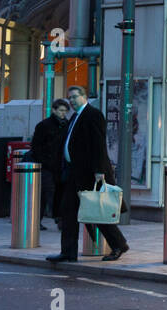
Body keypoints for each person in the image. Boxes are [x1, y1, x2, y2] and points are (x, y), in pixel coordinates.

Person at [47, 85, 129, 263]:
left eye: (75, 97)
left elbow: (98, 144)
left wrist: (99, 170)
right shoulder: (75, 117)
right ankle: (68, 252)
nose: (72, 101)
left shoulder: (93, 114)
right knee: (68, 212)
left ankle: (118, 245)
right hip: (74, 173)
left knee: (98, 212)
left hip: (90, 174)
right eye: (70, 98)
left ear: (84, 97)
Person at [27, 98, 70, 230]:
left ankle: (51, 219)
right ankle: (59, 219)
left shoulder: (67, 125)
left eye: (65, 111)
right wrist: (44, 161)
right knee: (48, 193)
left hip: (61, 165)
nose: (63, 113)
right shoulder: (44, 125)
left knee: (55, 192)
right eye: (61, 110)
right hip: (46, 165)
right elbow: (36, 146)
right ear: (54, 110)